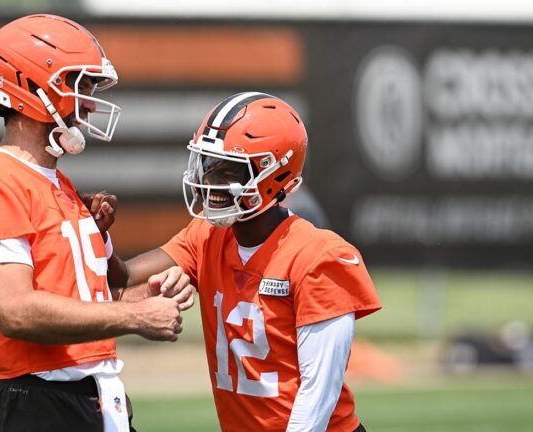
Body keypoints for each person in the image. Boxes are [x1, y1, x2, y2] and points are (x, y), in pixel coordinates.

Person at [0, 15, 193, 432]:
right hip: (40, 403)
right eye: (80, 85)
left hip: (97, 399)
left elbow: (87, 300)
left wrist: (146, 297)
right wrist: (135, 317)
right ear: (33, 86)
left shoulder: (60, 186)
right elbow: (16, 311)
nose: (90, 103)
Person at [107, 92, 382, 431]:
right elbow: (123, 276)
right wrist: (97, 234)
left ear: (275, 175)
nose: (210, 182)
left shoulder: (319, 255)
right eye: (208, 166)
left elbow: (318, 394)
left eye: (228, 170)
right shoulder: (206, 236)